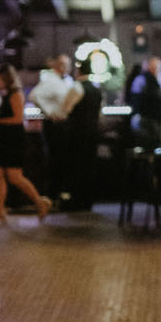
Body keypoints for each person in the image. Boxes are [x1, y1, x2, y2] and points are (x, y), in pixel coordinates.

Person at [0, 63, 52, 224]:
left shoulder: (15, 94)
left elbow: (18, 119)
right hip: (5, 139)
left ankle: (39, 202)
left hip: (12, 140)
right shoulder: (7, 94)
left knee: (14, 176)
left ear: (6, 78)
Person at [29, 54, 73, 203]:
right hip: (54, 125)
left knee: (60, 159)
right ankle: (51, 194)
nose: (67, 68)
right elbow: (34, 96)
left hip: (60, 124)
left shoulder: (64, 81)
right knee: (55, 159)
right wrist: (49, 112)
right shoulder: (51, 80)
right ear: (58, 66)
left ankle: (56, 192)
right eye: (65, 65)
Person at [61, 59, 102, 211]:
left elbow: (66, 109)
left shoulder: (77, 87)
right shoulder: (96, 89)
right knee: (89, 167)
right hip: (93, 132)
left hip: (77, 133)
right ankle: (88, 201)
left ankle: (76, 200)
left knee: (76, 166)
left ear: (79, 71)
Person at [128, 56, 161, 148]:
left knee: (155, 144)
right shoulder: (141, 80)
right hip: (145, 118)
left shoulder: (159, 80)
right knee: (145, 144)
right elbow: (135, 98)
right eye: (154, 67)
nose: (156, 70)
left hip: (156, 118)